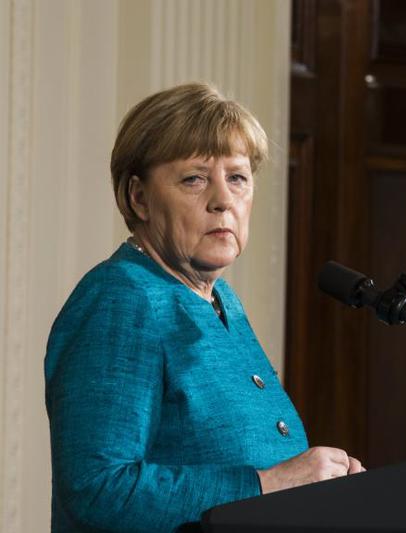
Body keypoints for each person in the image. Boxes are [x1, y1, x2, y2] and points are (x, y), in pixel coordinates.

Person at [45, 83, 364, 532]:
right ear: (138, 197)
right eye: (195, 178)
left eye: (237, 177)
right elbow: (98, 488)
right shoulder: (120, 299)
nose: (223, 200)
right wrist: (268, 483)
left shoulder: (219, 300)